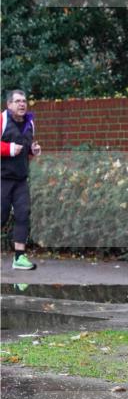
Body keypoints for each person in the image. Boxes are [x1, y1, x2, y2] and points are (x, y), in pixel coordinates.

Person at [1, 90, 41, 270]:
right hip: (2, 178)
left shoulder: (29, 123)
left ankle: (19, 257)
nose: (22, 104)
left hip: (21, 179)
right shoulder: (2, 120)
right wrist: (9, 149)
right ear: (9, 104)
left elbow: (26, 149)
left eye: (24, 101)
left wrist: (33, 150)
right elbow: (10, 148)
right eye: (17, 101)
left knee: (23, 214)